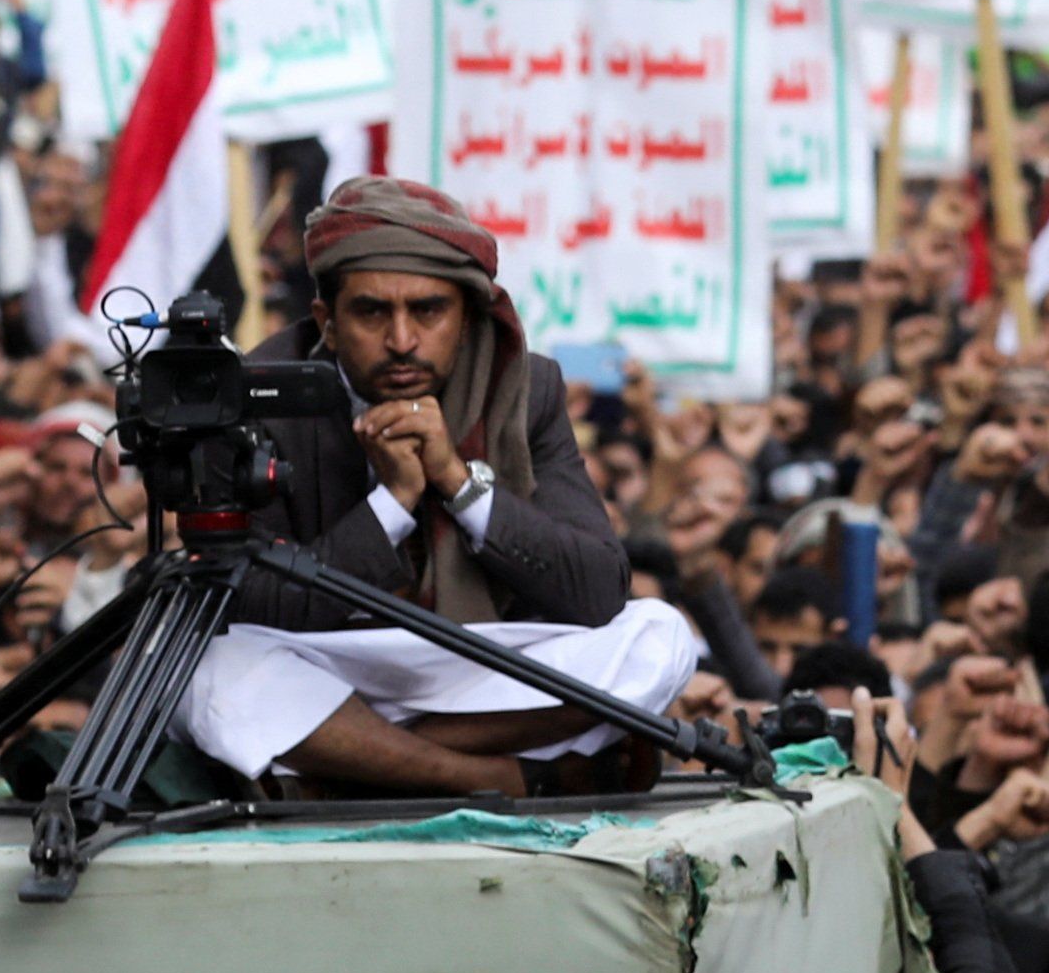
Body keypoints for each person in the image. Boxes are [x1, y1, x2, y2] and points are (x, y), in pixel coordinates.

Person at [180, 178, 696, 798]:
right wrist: (390, 505)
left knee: (658, 639)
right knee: (198, 665)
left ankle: (350, 771)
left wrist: (457, 483)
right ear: (329, 322)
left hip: (483, 666)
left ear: (467, 317)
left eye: (428, 310)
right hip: (325, 666)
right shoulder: (261, 395)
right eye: (373, 312)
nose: (402, 340)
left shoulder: (525, 392)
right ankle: (488, 778)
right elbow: (252, 607)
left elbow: (595, 591)